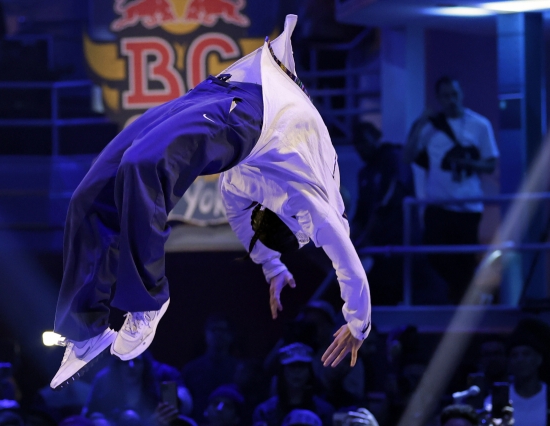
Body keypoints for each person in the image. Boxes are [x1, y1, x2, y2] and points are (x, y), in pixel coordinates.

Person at [50, 14, 371, 389]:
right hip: (241, 100)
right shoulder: (314, 207)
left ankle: (144, 302)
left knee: (136, 167)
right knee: (96, 189)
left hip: (243, 108)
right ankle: (87, 326)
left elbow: (242, 221)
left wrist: (273, 267)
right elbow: (349, 266)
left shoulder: (270, 193)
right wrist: (357, 322)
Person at [404, 76, 499, 303]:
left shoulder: (480, 125)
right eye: (446, 96)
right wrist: (419, 123)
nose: (451, 100)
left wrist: (468, 164)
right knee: (435, 255)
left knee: (464, 260)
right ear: (438, 98)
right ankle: (469, 295)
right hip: (438, 205)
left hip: (468, 205)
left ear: (461, 94)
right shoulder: (429, 127)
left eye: (454, 95)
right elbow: (407, 157)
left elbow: (491, 163)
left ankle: (462, 304)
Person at [351, 122, 412, 305]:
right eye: (356, 144)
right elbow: (361, 214)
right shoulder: (364, 173)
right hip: (375, 248)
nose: (360, 148)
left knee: (392, 295)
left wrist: (364, 237)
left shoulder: (394, 158)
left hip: (397, 243)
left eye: (363, 142)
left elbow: (387, 204)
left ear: (375, 138)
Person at [253, 343, 335, 426]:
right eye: (292, 366)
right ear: (282, 371)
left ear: (310, 371)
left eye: (302, 366)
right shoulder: (265, 412)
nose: (297, 372)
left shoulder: (325, 411)